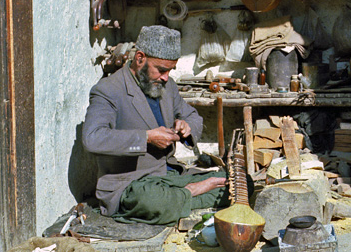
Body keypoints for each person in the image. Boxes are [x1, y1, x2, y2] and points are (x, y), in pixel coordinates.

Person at [82, 25, 240, 225]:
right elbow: (93, 138)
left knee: (239, 184)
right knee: (153, 201)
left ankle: (179, 198)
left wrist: (186, 127)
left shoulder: (167, 85)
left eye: (170, 70)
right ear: (140, 58)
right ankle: (190, 192)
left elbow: (192, 116)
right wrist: (146, 137)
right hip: (132, 184)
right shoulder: (108, 90)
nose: (166, 77)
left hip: (169, 177)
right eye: (161, 70)